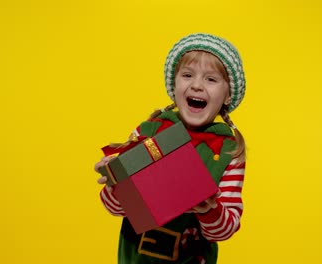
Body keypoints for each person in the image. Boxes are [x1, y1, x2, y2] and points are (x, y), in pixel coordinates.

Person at [94, 33, 247, 263]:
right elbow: (115, 208)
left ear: (228, 95)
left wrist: (208, 210)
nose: (196, 85)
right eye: (187, 75)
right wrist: (116, 182)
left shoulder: (227, 152)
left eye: (211, 79)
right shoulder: (150, 132)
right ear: (174, 85)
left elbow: (223, 231)